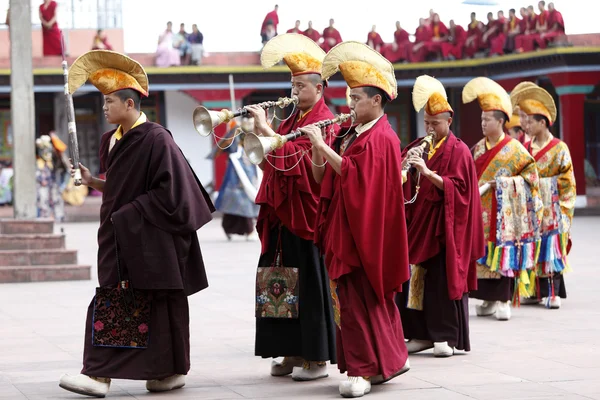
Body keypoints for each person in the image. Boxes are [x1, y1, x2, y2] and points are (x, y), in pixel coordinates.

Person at [58, 50, 215, 397]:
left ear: (130, 104)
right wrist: (94, 181)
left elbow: (172, 192)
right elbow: (121, 185)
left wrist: (130, 214)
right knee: (125, 296)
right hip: (119, 235)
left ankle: (101, 374)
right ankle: (161, 370)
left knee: (142, 299)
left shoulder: (157, 139)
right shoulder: (110, 140)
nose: (104, 107)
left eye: (110, 100)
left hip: (149, 237)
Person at [308, 41, 410, 398]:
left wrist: (324, 149)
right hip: (344, 227)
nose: (350, 106)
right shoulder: (351, 133)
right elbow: (326, 179)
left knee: (360, 301)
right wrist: (319, 150)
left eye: (356, 99)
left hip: (367, 234)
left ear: (376, 101)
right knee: (351, 303)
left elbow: (359, 180)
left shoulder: (383, 138)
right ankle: (385, 362)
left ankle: (363, 371)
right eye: (349, 99)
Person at [244, 33, 337, 382]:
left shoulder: (324, 120)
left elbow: (304, 167)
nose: (294, 92)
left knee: (309, 285)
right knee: (277, 282)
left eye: (300, 86)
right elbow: (272, 166)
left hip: (306, 217)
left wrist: (267, 130)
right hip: (280, 215)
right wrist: (261, 134)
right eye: (292, 85)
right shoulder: (288, 122)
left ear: (319, 88)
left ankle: (316, 359)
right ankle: (289, 349)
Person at [397, 75, 484, 358]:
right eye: (427, 123)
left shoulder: (459, 150)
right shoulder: (419, 145)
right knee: (414, 280)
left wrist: (428, 173)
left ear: (449, 121)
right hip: (418, 224)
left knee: (439, 281)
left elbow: (461, 191)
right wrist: (406, 167)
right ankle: (419, 334)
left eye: (435, 123)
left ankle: (444, 336)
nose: (430, 129)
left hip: (444, 228)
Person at [464, 77, 542, 322]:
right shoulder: (477, 148)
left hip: (506, 217)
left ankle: (503, 299)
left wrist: (502, 185)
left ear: (501, 121)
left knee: (503, 255)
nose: (483, 124)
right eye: (481, 119)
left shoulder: (515, 150)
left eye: (487, 120)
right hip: (481, 213)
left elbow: (531, 180)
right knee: (481, 256)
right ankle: (487, 298)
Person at [512, 85, 576, 309]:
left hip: (551, 210)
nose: (525, 125)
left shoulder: (560, 149)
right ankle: (533, 291)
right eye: (524, 120)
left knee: (550, 250)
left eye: (530, 120)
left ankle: (552, 293)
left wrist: (550, 191)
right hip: (530, 208)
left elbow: (568, 181)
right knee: (531, 247)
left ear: (543, 122)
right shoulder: (523, 147)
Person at [214, 117, 261, 241]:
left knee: (250, 203)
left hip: (251, 178)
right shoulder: (234, 146)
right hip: (235, 179)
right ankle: (229, 228)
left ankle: (250, 230)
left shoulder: (253, 145)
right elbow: (219, 150)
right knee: (233, 203)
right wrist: (233, 131)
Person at [35, 134, 66, 222]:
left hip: (53, 182)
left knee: (56, 199)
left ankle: (59, 217)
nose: (46, 152)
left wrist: (55, 139)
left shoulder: (54, 159)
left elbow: (61, 153)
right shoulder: (38, 162)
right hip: (42, 184)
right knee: (42, 200)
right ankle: (45, 218)